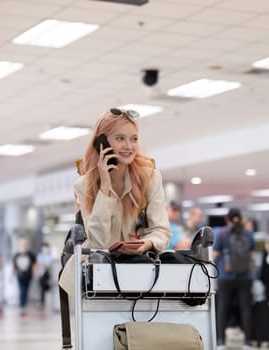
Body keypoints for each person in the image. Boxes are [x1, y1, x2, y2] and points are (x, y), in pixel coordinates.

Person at [59, 107, 171, 295]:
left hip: (139, 270)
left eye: (134, 138)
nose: (129, 146)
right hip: (95, 274)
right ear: (102, 143)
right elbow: (98, 240)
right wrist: (105, 187)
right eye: (120, 138)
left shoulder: (150, 178)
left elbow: (161, 230)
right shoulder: (83, 185)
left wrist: (147, 243)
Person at [213, 208, 255, 348]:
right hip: (245, 276)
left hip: (225, 276)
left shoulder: (222, 234)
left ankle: (221, 341)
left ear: (227, 220)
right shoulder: (248, 234)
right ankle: (247, 341)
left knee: (223, 307)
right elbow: (251, 255)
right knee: (246, 309)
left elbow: (216, 253)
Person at [13, 238, 36, 316]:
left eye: (24, 245)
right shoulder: (16, 255)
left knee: (26, 291)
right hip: (19, 276)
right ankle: (22, 306)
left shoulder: (30, 254)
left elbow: (35, 265)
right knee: (22, 290)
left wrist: (36, 274)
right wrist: (11, 275)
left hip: (28, 276)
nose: (23, 246)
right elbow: (14, 267)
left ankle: (24, 305)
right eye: (21, 245)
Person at [35, 242, 53, 309]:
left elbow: (47, 265)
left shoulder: (49, 256)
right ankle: (41, 302)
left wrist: (42, 265)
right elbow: (38, 265)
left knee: (45, 289)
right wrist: (36, 273)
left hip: (46, 275)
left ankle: (44, 302)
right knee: (41, 289)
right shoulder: (39, 256)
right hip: (40, 274)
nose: (45, 249)